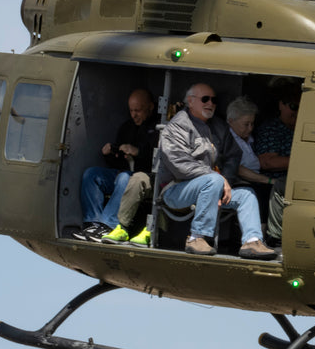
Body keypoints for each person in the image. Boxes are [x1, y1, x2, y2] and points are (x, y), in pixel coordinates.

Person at [157, 83, 277, 259]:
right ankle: (197, 237)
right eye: (205, 99)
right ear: (190, 101)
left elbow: (233, 156)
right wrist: (217, 180)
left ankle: (252, 241)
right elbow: (179, 164)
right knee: (213, 181)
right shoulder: (177, 127)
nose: (210, 103)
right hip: (176, 190)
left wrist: (223, 182)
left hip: (212, 188)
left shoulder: (219, 127)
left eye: (214, 100)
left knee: (246, 194)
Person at [74, 88, 158, 245]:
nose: (134, 115)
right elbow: (118, 161)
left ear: (150, 107)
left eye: (138, 110)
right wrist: (111, 153)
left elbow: (160, 159)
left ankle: (108, 225)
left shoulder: (159, 128)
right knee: (92, 174)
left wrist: (138, 152)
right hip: (123, 172)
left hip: (145, 178)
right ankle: (93, 223)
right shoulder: (127, 127)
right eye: (131, 110)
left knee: (125, 178)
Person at [254, 85, 300, 239]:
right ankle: (274, 238)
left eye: (302, 107)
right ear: (281, 105)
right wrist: (304, 161)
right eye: (293, 106)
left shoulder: (303, 129)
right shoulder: (270, 129)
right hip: (274, 183)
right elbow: (267, 162)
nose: (297, 112)